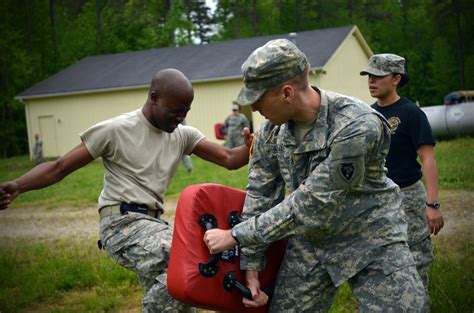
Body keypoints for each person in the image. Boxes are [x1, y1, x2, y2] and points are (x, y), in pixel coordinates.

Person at [0, 69, 252, 313]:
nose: (180, 117)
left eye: (185, 112)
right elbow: (58, 167)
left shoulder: (182, 135)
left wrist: (252, 146)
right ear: (154, 98)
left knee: (181, 291)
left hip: (155, 225)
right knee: (184, 263)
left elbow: (229, 159)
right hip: (121, 225)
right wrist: (18, 186)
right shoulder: (116, 130)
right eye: (175, 110)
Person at [204, 39, 427, 312]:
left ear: (286, 93)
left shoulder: (356, 124)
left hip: (370, 236)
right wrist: (251, 266)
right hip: (311, 242)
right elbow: (261, 194)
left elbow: (316, 201)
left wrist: (236, 235)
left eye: (258, 100)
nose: (255, 109)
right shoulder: (269, 133)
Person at [360, 53, 444, 310]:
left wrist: (432, 204)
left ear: (396, 78)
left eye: (378, 76)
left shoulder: (411, 113)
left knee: (415, 260)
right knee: (380, 259)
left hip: (407, 195)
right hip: (377, 199)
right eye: (369, 76)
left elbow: (427, 158)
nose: (371, 81)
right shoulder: (367, 115)